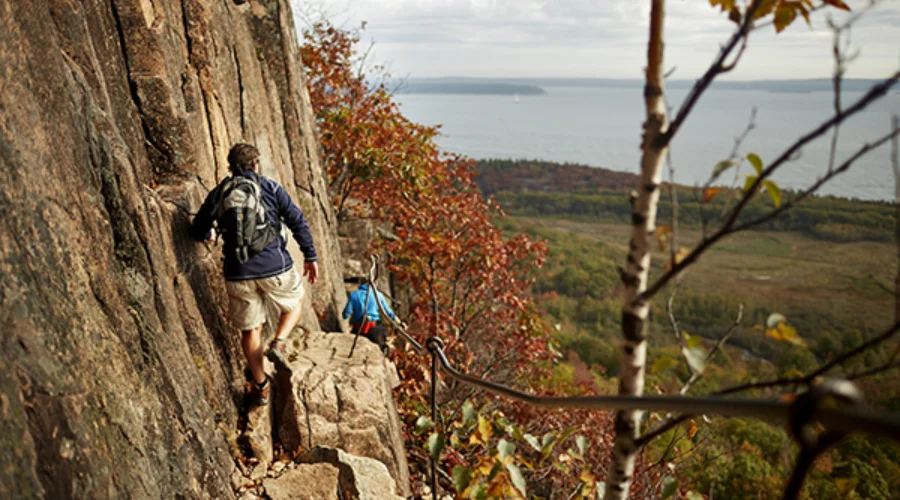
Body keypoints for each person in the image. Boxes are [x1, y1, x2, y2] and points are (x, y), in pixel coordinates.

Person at [190, 143, 318, 406]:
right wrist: (310, 255)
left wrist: (208, 234)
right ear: (255, 164)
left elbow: (199, 226)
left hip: (237, 272)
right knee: (295, 302)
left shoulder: (221, 191)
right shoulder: (270, 188)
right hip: (274, 266)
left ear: (230, 167)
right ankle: (279, 343)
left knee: (251, 329)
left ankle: (260, 386)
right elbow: (297, 220)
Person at [342, 281, 396, 353]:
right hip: (375, 327)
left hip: (359, 328)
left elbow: (346, 314)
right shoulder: (378, 295)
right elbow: (388, 312)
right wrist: (396, 320)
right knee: (381, 346)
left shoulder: (354, 295)